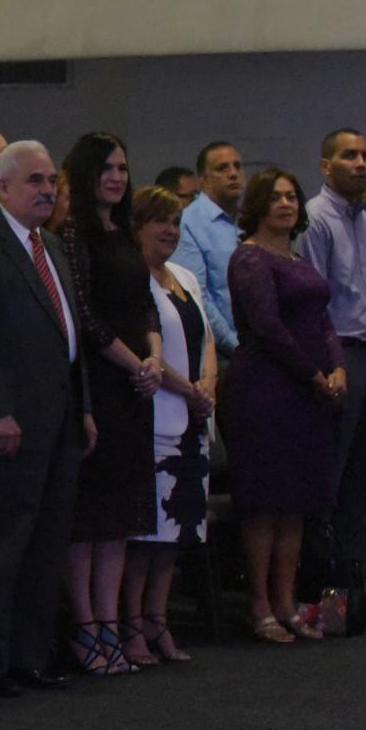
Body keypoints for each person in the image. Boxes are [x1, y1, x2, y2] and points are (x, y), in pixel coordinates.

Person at [0, 140, 95, 696]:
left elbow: (67, 335)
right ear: (2, 187)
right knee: (0, 545)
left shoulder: (49, 245)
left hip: (58, 420)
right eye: (34, 180)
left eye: (51, 180)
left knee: (46, 542)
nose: (47, 190)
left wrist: (85, 409)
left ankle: (30, 656)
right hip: (5, 423)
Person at [55, 133, 161, 675]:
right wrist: (132, 362)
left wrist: (156, 358)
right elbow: (83, 314)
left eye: (123, 167)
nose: (117, 177)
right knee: (89, 516)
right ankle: (86, 627)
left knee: (119, 518)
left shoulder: (123, 232)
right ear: (85, 174)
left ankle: (112, 625)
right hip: (99, 379)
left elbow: (145, 304)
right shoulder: (75, 233)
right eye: (106, 168)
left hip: (135, 383)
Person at [222, 169, 343, 642]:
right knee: (265, 503)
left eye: (292, 196)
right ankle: (259, 606)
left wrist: (338, 368)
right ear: (257, 206)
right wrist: (314, 375)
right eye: (274, 198)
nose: (286, 204)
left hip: (308, 393)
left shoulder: (298, 257)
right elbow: (268, 328)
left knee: (295, 504)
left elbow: (324, 321)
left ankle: (288, 603)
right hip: (266, 389)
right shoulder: (249, 258)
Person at [118, 186, 211, 664]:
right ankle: (132, 625)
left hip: (192, 419)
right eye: (160, 221)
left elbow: (207, 337)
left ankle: (159, 620)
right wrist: (188, 389)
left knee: (174, 534)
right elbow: (145, 349)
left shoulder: (184, 277)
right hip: (155, 416)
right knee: (145, 536)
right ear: (137, 227)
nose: (170, 231)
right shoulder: (136, 281)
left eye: (176, 222)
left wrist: (206, 386)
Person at [299, 129, 366, 633]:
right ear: (326, 165)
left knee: (363, 486)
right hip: (339, 357)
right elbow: (314, 305)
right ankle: (326, 598)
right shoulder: (315, 219)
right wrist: (331, 367)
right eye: (348, 156)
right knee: (330, 483)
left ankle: (354, 593)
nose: (360, 164)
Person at [171, 140, 245, 357]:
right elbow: (197, 297)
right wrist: (236, 347)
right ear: (203, 179)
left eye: (237, 166)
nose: (233, 174)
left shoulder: (249, 219)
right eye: (222, 168)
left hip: (262, 349)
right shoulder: (188, 223)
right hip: (222, 352)